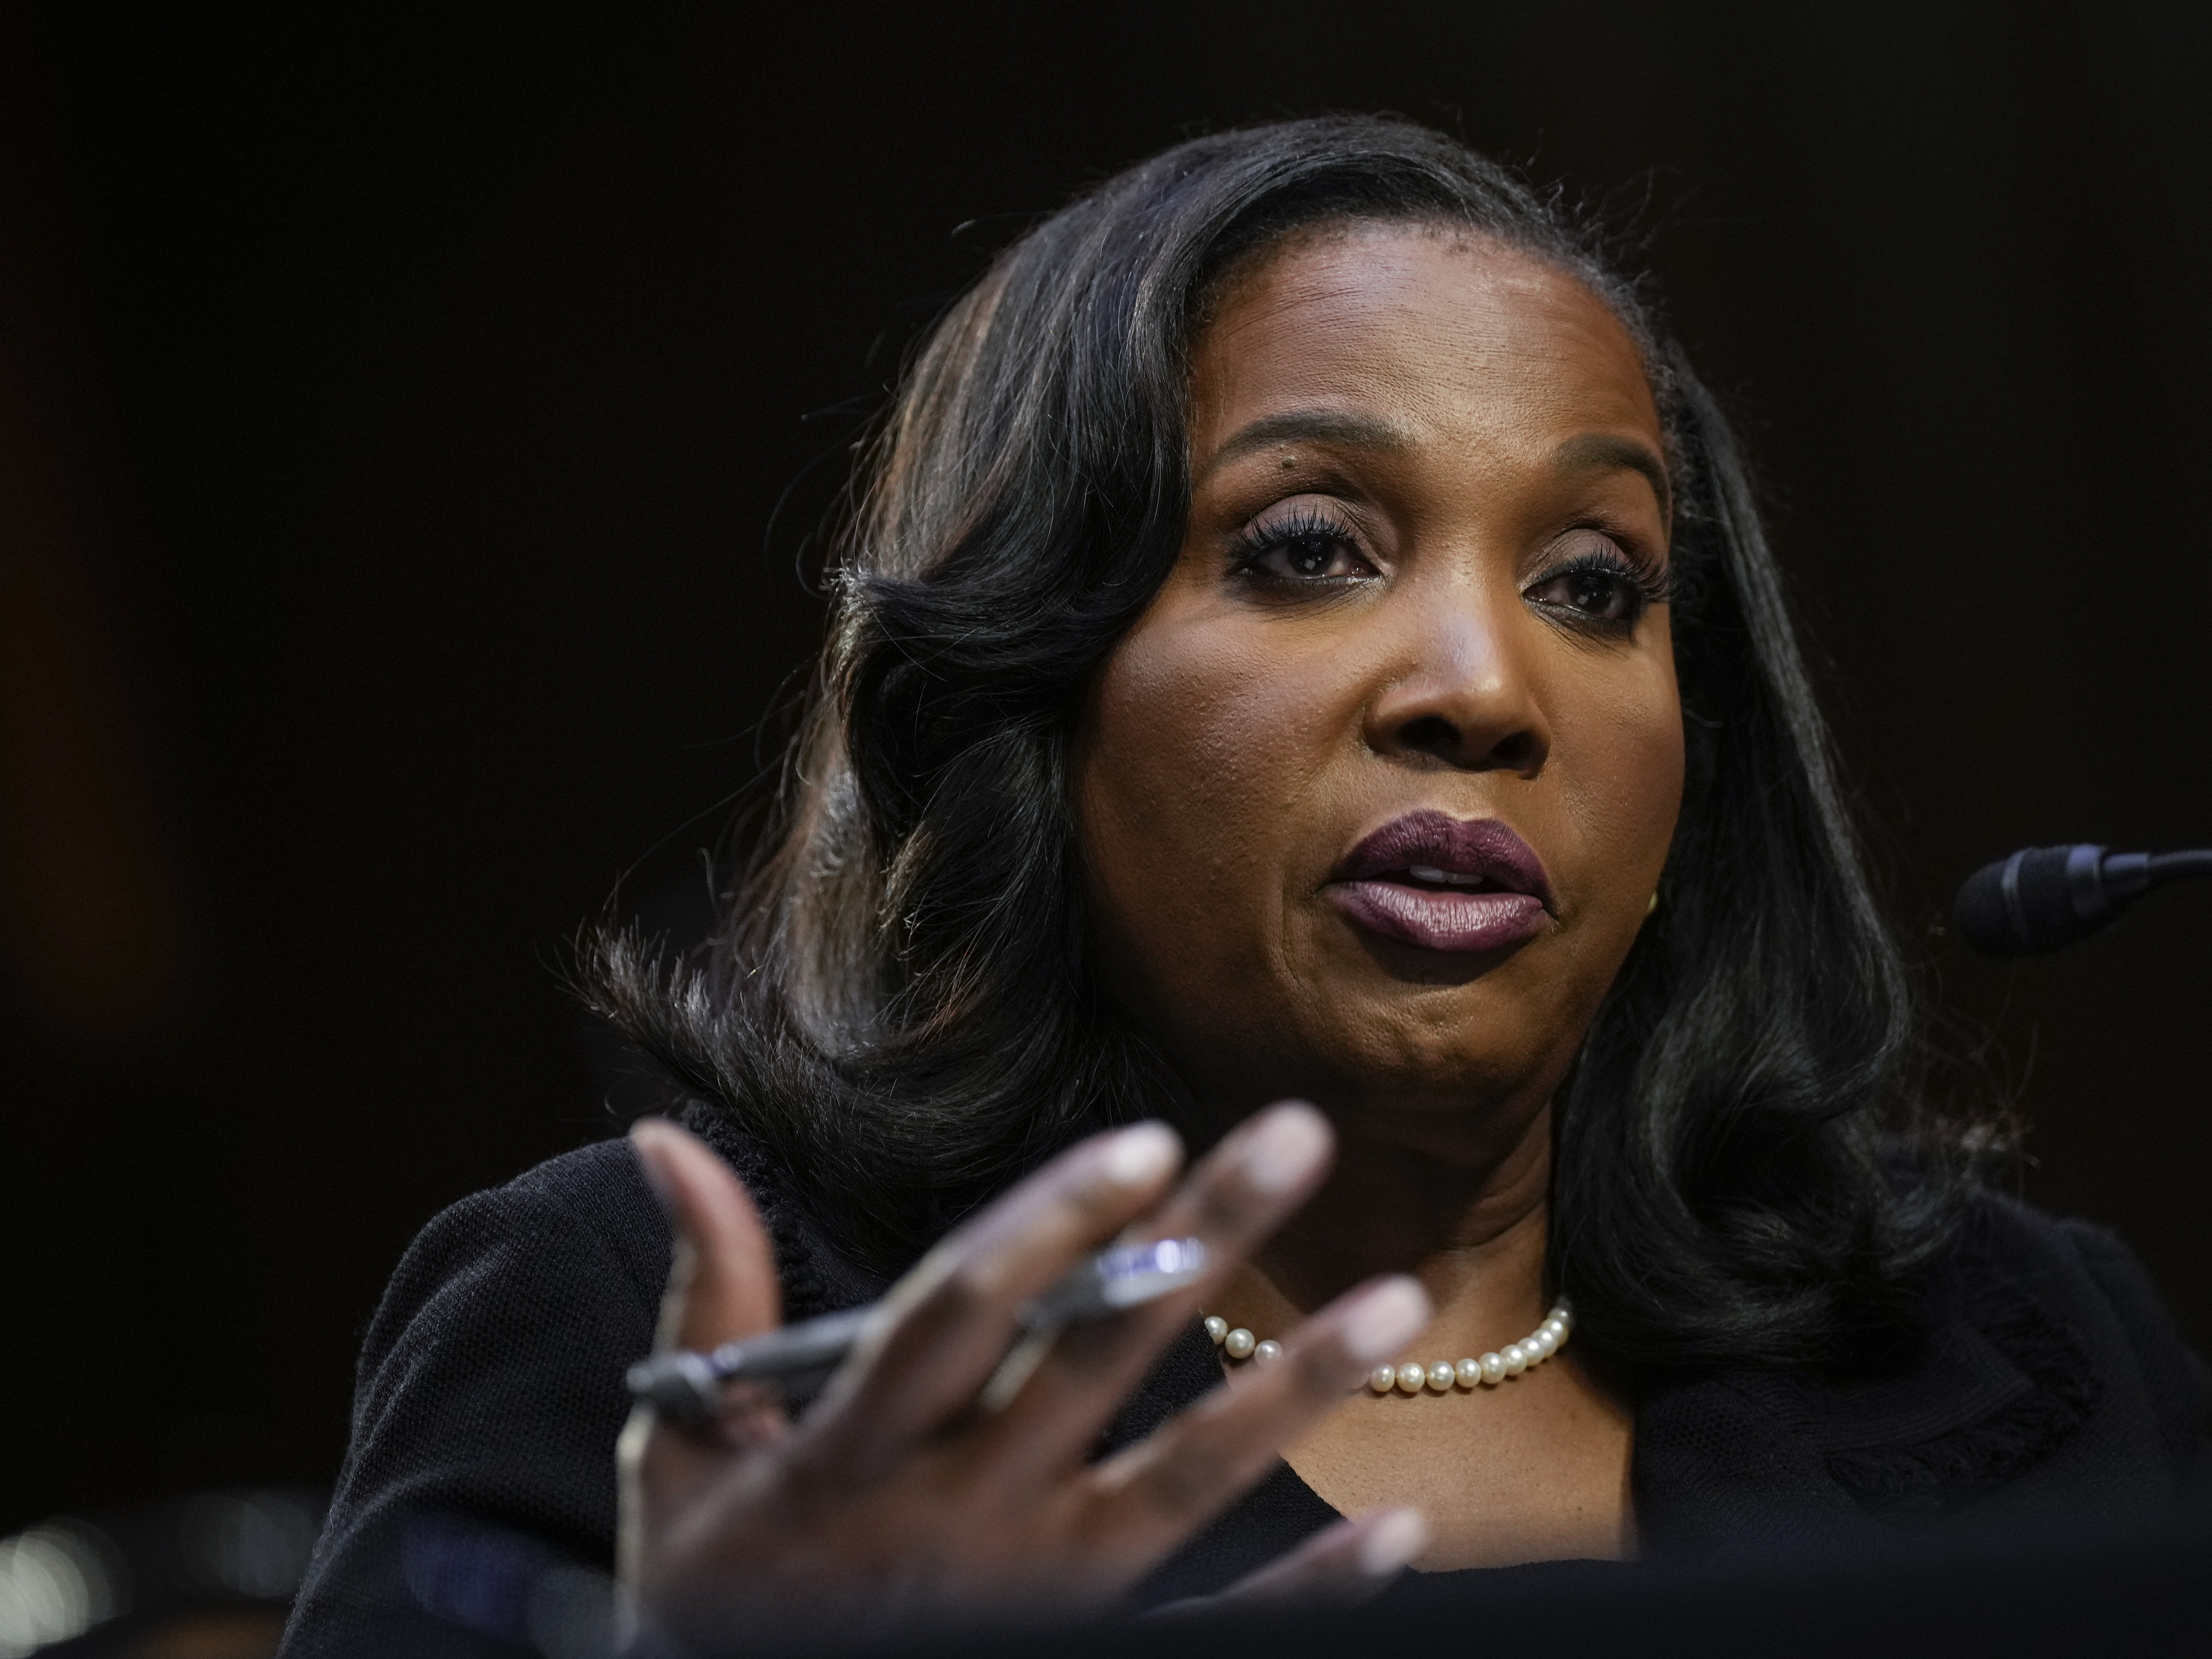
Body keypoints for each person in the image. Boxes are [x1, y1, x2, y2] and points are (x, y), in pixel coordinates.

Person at [280, 116, 2208, 1657]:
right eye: (1307, 549)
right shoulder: (673, 1336)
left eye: (1594, 585)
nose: (1478, 685)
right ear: (1033, 685)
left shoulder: (2019, 1339)